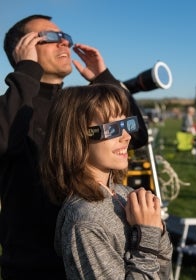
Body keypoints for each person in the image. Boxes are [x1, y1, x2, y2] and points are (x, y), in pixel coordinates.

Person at [0, 14, 148, 279]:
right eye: (51, 38)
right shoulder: (11, 106)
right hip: (35, 267)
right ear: (22, 48)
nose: (64, 44)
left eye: (65, 37)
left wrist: (104, 78)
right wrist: (25, 72)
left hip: (99, 256)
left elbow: (136, 135)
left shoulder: (76, 107)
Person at [40, 83, 173, 279]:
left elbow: (162, 271)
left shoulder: (125, 194)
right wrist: (147, 236)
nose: (127, 137)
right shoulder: (85, 223)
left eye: (127, 124)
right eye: (112, 129)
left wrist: (156, 231)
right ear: (77, 137)